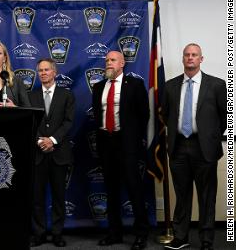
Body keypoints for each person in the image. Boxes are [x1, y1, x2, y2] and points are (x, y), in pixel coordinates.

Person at [162, 43, 226, 250]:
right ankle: (181, 237)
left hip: (204, 148)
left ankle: (206, 240)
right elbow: (166, 115)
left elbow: (223, 117)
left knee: (206, 196)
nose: (190, 58)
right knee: (182, 195)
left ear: (201, 59)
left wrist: (210, 136)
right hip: (179, 146)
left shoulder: (216, 85)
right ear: (183, 59)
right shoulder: (170, 86)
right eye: (187, 55)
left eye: (194, 55)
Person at [92, 51, 149, 250]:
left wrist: (134, 140)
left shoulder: (134, 85)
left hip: (127, 144)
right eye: (107, 60)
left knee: (134, 188)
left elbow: (144, 115)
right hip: (106, 144)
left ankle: (141, 233)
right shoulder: (98, 87)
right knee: (111, 191)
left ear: (122, 63)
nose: (108, 63)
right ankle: (114, 233)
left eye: (113, 60)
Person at [28, 58, 75, 248]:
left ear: (54, 72)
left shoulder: (66, 95)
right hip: (37, 154)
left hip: (59, 153)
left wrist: (52, 140)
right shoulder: (31, 96)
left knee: (58, 196)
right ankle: (38, 233)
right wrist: (40, 140)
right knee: (36, 197)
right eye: (40, 70)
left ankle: (57, 233)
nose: (43, 73)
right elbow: (29, 121)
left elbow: (69, 122)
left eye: (47, 70)